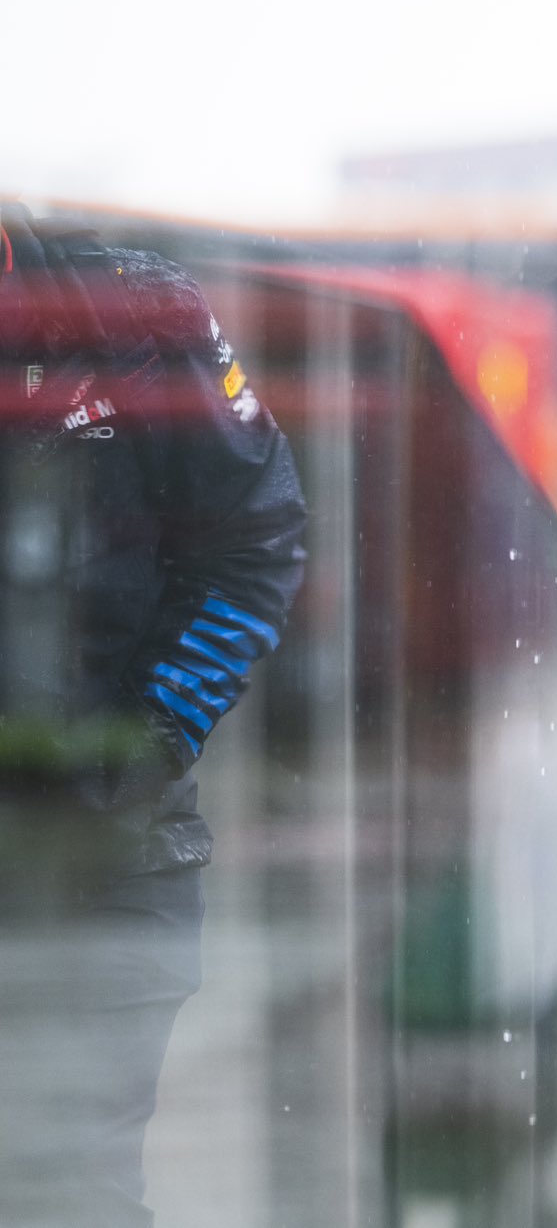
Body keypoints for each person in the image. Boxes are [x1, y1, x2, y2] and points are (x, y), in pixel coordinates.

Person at [0, 206, 307, 1226]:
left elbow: (253, 545)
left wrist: (136, 756)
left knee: (63, 1198)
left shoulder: (128, 310)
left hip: (100, 878)